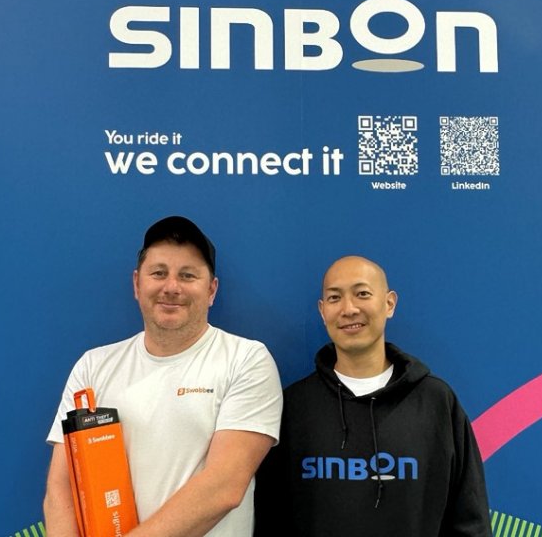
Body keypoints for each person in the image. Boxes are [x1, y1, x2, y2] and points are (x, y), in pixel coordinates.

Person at [44, 216, 282, 537]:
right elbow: (61, 491)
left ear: (212, 290)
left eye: (187, 275)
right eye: (158, 273)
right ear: (137, 284)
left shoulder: (246, 360)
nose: (171, 287)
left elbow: (224, 487)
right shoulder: (93, 367)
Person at [255, 256, 490, 536]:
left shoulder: (436, 401)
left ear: (389, 303)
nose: (348, 309)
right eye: (334, 298)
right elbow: (270, 516)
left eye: (362, 294)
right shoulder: (294, 405)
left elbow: (469, 518)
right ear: (322, 310)